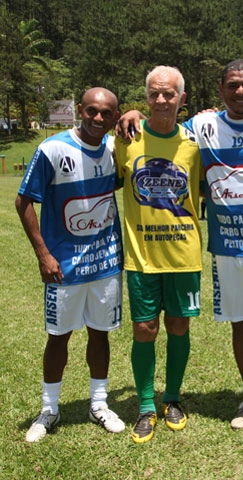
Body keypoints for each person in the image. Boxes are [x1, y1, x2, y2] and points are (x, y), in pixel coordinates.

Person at [119, 59, 243, 439]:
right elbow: (161, 121)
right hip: (227, 248)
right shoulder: (201, 128)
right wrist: (132, 111)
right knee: (241, 325)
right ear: (220, 90)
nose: (241, 92)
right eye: (232, 86)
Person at [16, 87, 125, 442]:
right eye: (91, 110)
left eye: (106, 113)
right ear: (80, 109)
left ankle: (99, 403)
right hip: (64, 267)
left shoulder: (113, 149)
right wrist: (44, 255)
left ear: (114, 115)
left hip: (105, 264)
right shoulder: (53, 149)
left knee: (100, 333)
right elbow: (23, 202)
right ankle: (49, 410)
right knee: (58, 338)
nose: (97, 118)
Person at [114, 66, 203, 444]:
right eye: (154, 94)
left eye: (169, 94)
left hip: (184, 255)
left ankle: (173, 398)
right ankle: (147, 406)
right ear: (146, 97)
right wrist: (124, 117)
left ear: (182, 99)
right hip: (142, 257)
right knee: (144, 329)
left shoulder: (197, 143)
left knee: (178, 327)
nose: (162, 100)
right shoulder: (125, 139)